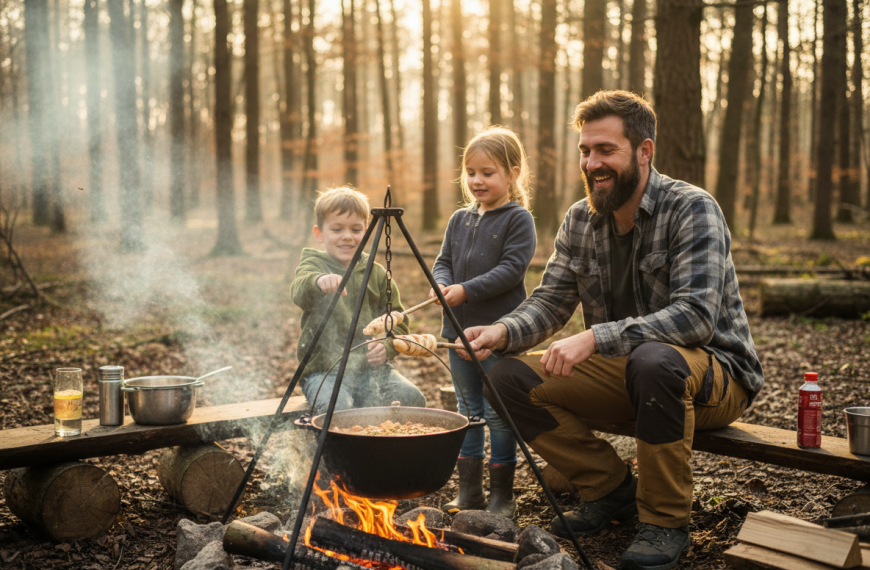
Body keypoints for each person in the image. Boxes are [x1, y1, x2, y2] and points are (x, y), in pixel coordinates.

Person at [460, 91, 763, 570]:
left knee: (654, 360)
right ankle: (610, 489)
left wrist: (596, 338)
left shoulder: (692, 208)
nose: (592, 163)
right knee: (506, 378)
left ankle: (665, 522)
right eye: (585, 151)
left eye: (606, 150)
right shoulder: (581, 219)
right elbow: (549, 302)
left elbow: (695, 316)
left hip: (714, 378)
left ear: (644, 151)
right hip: (631, 376)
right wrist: (500, 331)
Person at [429, 126, 537, 519]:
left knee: (497, 412)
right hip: (455, 335)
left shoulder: (518, 219)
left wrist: (465, 290)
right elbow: (443, 262)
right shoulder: (459, 219)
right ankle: (470, 492)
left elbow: (511, 270)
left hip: (497, 336)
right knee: (467, 409)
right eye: (471, 172)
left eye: (488, 172)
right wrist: (442, 283)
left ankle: (502, 497)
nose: (477, 180)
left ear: (513, 173)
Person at [291, 187, 426, 414]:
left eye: (355, 229)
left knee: (412, 398)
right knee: (338, 407)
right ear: (319, 233)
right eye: (337, 229)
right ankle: (331, 449)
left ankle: (388, 446)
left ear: (366, 231)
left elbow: (399, 321)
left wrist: (387, 347)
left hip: (371, 372)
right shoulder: (314, 265)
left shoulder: (377, 272)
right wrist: (318, 281)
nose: (347, 236)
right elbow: (298, 291)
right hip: (324, 372)